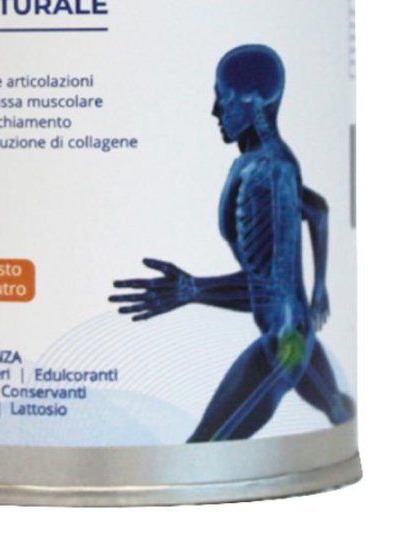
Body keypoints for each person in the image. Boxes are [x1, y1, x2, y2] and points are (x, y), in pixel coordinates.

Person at [110, 45, 355, 441]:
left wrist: (192, 289)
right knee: (338, 408)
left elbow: (270, 289)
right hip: (299, 338)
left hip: (283, 349)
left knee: (201, 448)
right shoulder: (274, 161)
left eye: (222, 98)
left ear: (252, 100)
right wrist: (319, 289)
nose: (215, 111)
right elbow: (318, 210)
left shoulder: (263, 174)